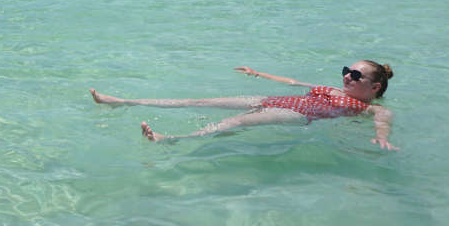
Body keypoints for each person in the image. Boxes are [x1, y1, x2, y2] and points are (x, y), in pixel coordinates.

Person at [89, 60, 398, 150]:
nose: (347, 76)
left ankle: (169, 140)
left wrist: (381, 138)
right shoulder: (330, 88)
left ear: (374, 87)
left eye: (355, 75)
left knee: (235, 122)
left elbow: (383, 118)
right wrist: (258, 73)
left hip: (298, 113)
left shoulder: (371, 107)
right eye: (346, 70)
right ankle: (123, 102)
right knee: (200, 101)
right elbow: (291, 82)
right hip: (275, 99)